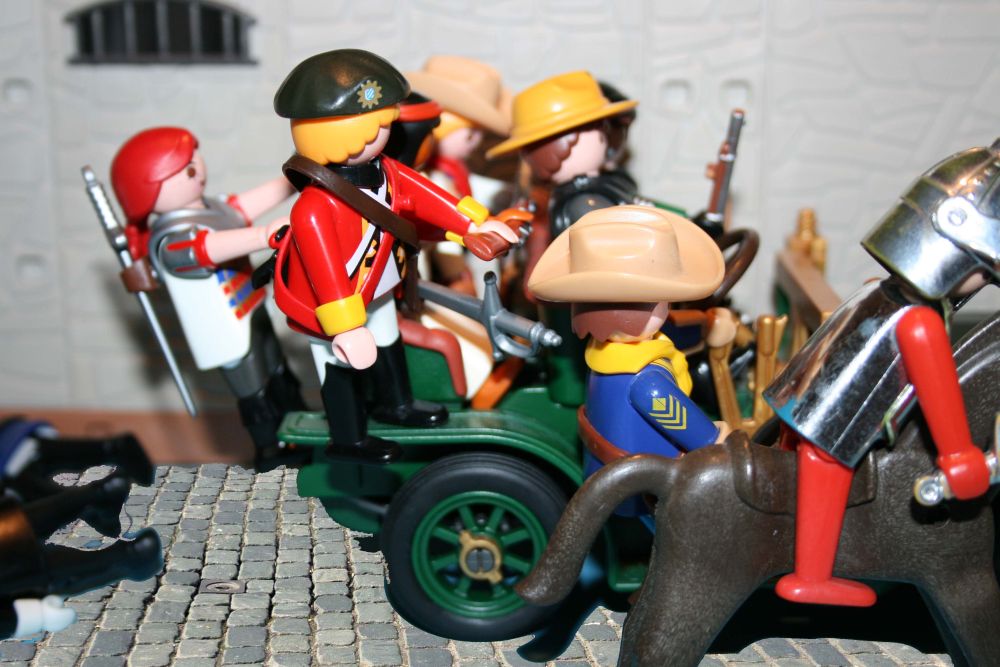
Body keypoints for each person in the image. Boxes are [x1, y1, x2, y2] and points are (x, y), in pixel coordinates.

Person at [764, 140, 1000, 607]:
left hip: (802, 400)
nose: (983, 280)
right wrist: (959, 457)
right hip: (832, 419)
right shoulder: (920, 322)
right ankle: (811, 577)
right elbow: (940, 397)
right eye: (983, 268)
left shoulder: (877, 290)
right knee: (826, 465)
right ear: (954, 253)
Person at [271, 49, 521, 464]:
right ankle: (348, 437)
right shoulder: (313, 207)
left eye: (384, 125)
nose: (383, 136)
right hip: (330, 307)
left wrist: (474, 224)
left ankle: (397, 404)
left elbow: (428, 197)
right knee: (339, 365)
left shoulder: (386, 170)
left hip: (378, 286)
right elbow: (325, 271)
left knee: (389, 341)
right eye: (373, 129)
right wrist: (345, 327)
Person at [111, 127, 305, 468]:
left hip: (252, 310)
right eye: (184, 169)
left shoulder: (210, 209)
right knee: (255, 392)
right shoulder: (170, 240)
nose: (196, 169)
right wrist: (263, 235)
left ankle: (300, 430)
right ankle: (272, 450)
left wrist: (296, 176)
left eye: (194, 159)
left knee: (279, 374)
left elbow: (243, 207)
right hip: (226, 331)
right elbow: (207, 248)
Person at [528, 205, 733, 517]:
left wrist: (707, 326)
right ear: (633, 314)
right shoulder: (647, 383)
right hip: (646, 493)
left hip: (611, 478)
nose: (667, 307)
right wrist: (718, 440)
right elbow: (688, 427)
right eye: (663, 300)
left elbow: (666, 336)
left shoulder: (604, 353)